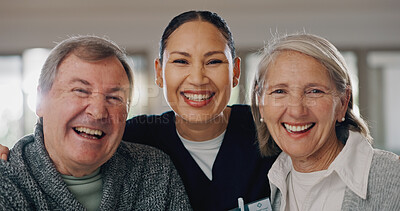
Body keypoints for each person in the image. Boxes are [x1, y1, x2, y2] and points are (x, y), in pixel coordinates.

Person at [0, 11, 276, 211]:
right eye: (181, 61)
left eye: (214, 61)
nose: (197, 78)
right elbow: (59, 140)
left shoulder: (272, 129)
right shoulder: (135, 136)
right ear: (159, 73)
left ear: (236, 71)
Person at [0, 35, 191, 210]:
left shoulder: (155, 171)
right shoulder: (7, 180)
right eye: (80, 91)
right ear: (40, 101)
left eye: (115, 98)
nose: (98, 112)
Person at [251, 33, 400, 210]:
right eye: (279, 91)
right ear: (260, 103)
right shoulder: (261, 184)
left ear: (343, 102)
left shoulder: (393, 179)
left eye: (314, 91)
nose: (297, 111)